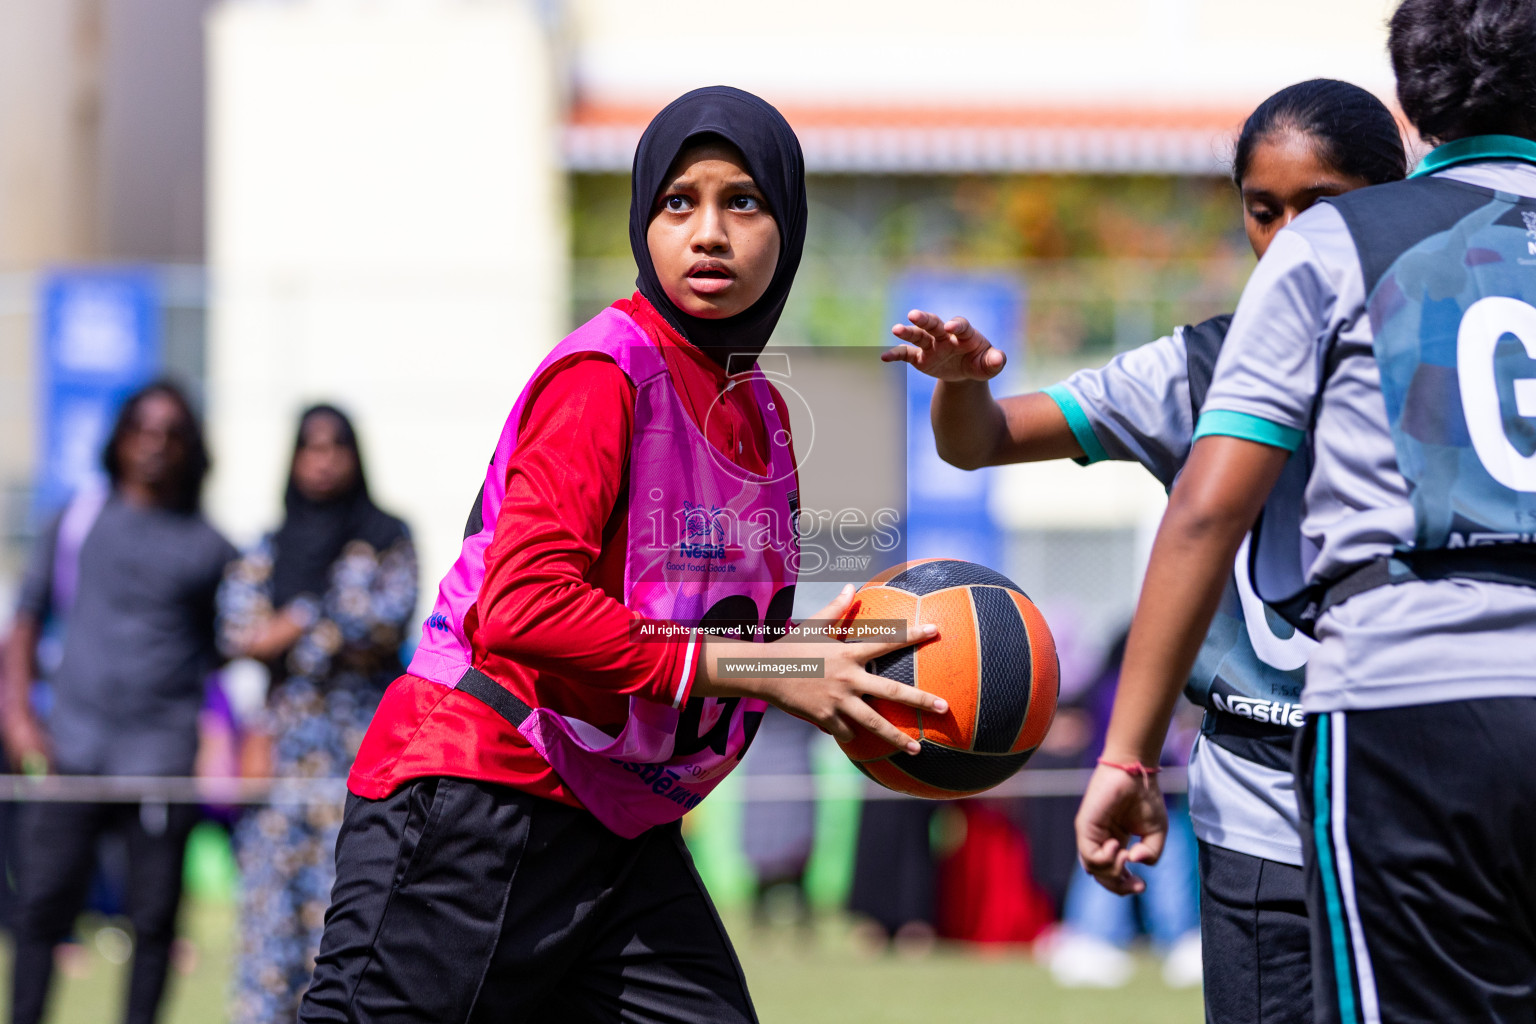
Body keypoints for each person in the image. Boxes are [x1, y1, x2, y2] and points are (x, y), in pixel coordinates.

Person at [298, 86, 946, 1024]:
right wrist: (770, 668)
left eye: (744, 202)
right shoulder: (606, 375)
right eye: (678, 202)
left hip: (616, 822)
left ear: (790, 224)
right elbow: (520, 607)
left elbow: (714, 639)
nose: (709, 232)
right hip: (478, 792)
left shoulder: (762, 413)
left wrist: (833, 668)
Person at [883, 80, 1406, 1020]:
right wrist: (959, 386)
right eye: (1263, 209)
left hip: (1414, 793)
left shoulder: (1440, 360)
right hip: (1259, 814)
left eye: (1319, 210)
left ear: (1389, 203)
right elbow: (983, 442)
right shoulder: (1196, 367)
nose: (1286, 239)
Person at [1074, 2, 1536, 1019]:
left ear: (1409, 106)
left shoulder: (1339, 245)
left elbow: (1205, 511)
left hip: (1409, 698)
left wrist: (1127, 751)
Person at [2, 381, 237, 1024]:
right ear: (121, 438)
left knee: (154, 919)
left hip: (160, 757)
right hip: (70, 750)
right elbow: (24, 622)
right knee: (42, 908)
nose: (155, 446)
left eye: (172, 434)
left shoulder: (211, 546)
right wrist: (19, 716)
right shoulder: (77, 519)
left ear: (191, 448)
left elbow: (225, 653)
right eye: (143, 430)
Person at [219, 405, 416, 1024]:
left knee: (351, 903)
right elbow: (238, 629)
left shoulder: (385, 537)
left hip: (359, 751)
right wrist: (328, 625)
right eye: (310, 446)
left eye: (337, 446)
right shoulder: (269, 545)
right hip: (281, 759)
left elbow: (387, 618)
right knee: (270, 912)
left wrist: (299, 620)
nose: (323, 458)